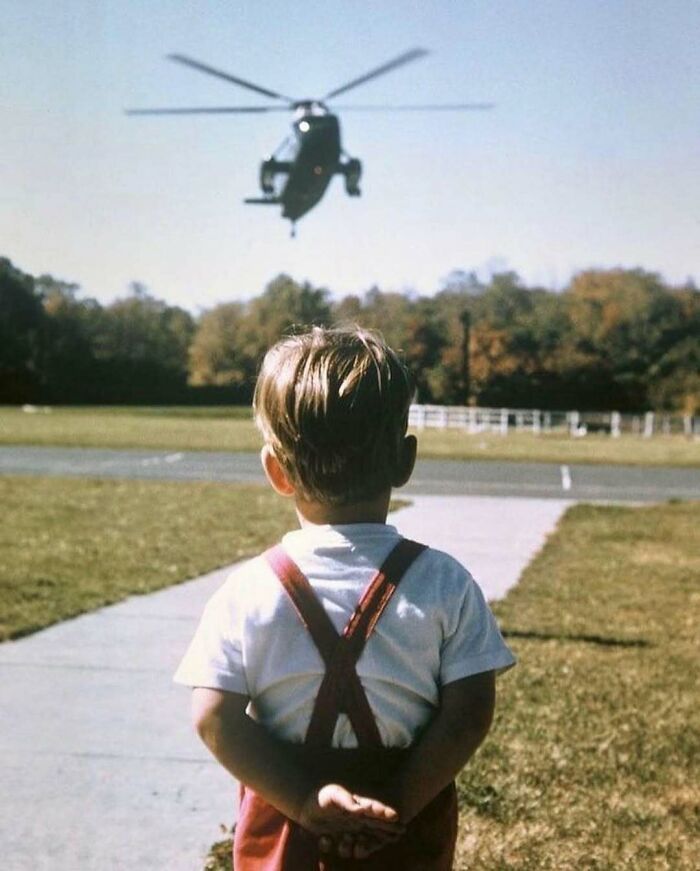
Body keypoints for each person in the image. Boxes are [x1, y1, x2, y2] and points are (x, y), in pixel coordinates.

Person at [174, 326, 516, 869]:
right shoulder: (446, 582)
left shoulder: (247, 589)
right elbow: (469, 715)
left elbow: (214, 716)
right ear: (405, 460)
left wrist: (303, 801)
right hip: (405, 824)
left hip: (287, 828)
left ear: (275, 471)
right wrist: (399, 802)